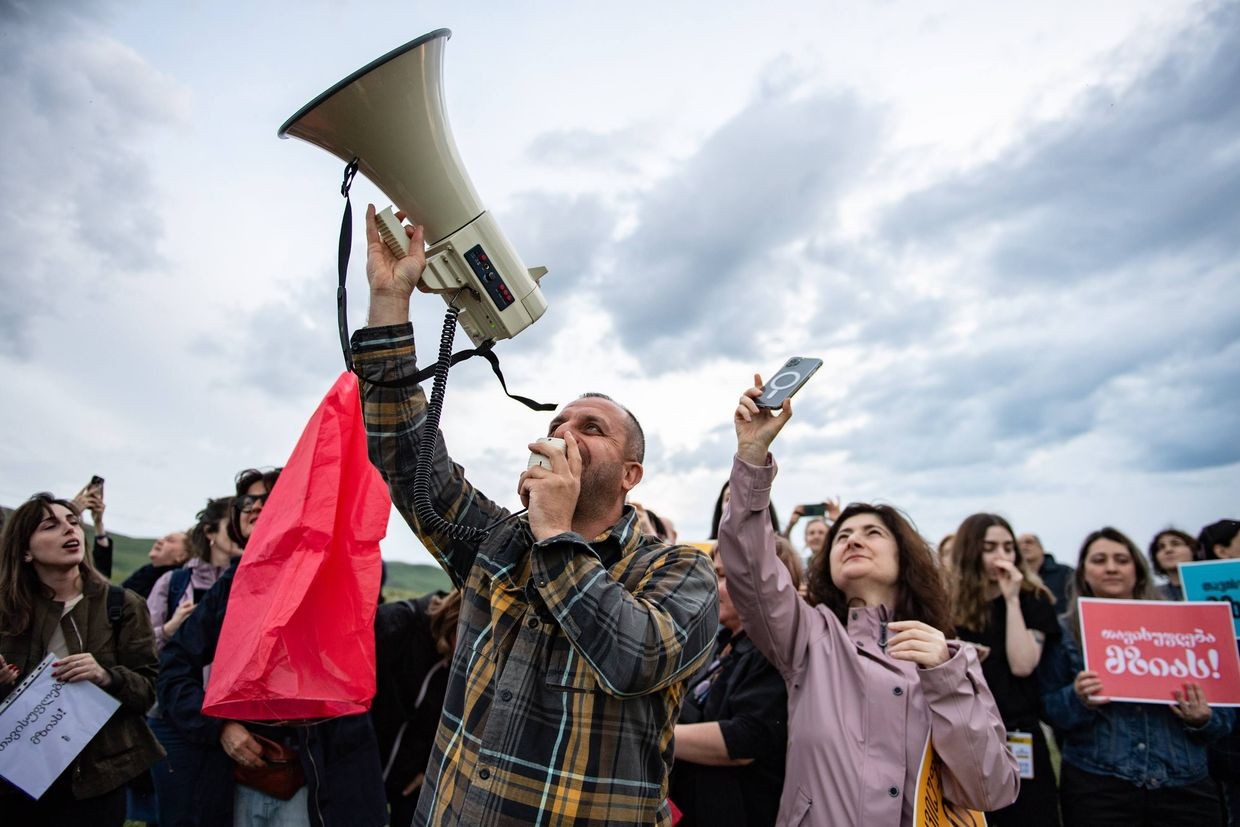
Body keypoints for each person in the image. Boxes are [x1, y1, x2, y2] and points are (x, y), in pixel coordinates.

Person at [351, 204, 719, 825]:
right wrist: (391, 302)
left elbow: (636, 659)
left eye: (591, 428)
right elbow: (405, 455)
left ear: (630, 476)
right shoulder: (495, 542)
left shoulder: (681, 573)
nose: (564, 435)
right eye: (556, 424)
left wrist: (554, 533)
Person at [717, 377, 1018, 825]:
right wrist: (751, 457)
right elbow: (749, 566)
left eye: (872, 532)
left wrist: (946, 679)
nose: (854, 539)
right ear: (829, 565)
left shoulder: (953, 661)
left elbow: (991, 788)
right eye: (843, 536)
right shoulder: (810, 637)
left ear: (905, 556)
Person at [158, 468, 386, 826]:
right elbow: (173, 668)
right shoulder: (231, 587)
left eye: (270, 499)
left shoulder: (334, 577)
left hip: (325, 779)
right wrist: (218, 727)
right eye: (247, 501)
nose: (254, 507)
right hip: (244, 778)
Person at [1040, 527, 1232, 826]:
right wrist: (1078, 698)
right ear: (1083, 573)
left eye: (1121, 559)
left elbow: (1226, 714)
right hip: (1099, 786)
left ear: (1138, 570)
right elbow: (1050, 708)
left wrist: (1203, 718)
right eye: (1099, 560)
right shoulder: (1065, 632)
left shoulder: (1189, 626)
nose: (1111, 568)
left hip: (1184, 786)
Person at [0, 493, 164, 826]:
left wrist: (107, 676)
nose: (69, 529)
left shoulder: (122, 604)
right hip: (16, 775)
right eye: (51, 525)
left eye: (73, 522)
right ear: (26, 550)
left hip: (96, 778)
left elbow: (147, 690)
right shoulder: (6, 608)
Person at [669, 537, 800, 826]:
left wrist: (655, 738)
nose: (715, 587)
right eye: (716, 574)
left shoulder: (774, 651)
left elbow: (746, 740)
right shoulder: (722, 643)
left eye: (726, 576)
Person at [953, 514, 1061, 825]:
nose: (1002, 556)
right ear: (970, 552)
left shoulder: (1033, 599)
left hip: (1018, 728)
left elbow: (1023, 664)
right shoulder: (948, 601)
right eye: (989, 548)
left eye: (1008, 547)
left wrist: (1012, 601)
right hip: (970, 730)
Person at [371, 589, 460, 827]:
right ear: (457, 615)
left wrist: (430, 768)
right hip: (355, 774)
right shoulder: (399, 622)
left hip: (409, 786)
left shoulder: (465, 668)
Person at [122, 530, 191, 598]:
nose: (159, 541)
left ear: (182, 555)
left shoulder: (178, 583)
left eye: (170, 540)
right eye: (163, 538)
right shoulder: (144, 572)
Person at [1018, 532, 1075, 612]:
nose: (1024, 546)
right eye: (1018, 545)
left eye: (1029, 542)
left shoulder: (1065, 572)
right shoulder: (1015, 577)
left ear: (1041, 548)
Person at [1148, 529, 1201, 601]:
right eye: (1161, 547)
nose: (1168, 550)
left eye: (1176, 544)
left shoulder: (1214, 586)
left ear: (1193, 550)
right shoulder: (1151, 596)